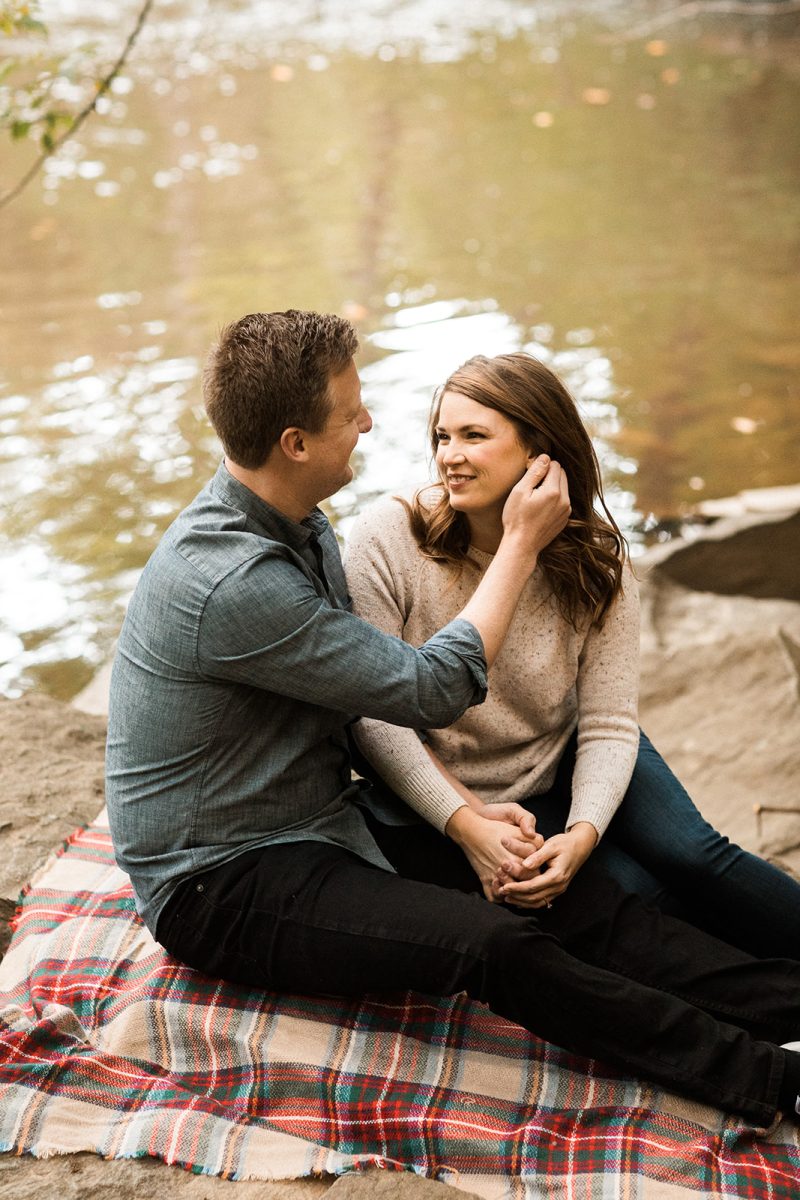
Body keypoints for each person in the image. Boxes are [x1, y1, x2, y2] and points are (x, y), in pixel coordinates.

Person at [105, 310, 800, 1129]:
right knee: (491, 943)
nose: (370, 422)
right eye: (349, 412)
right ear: (295, 443)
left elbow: (596, 720)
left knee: (571, 903)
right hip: (223, 878)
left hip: (321, 820)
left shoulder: (294, 524)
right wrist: (516, 548)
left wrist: (482, 826)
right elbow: (427, 690)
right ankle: (769, 1081)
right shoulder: (233, 581)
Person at [344, 351, 800, 960]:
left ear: (539, 452)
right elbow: (374, 716)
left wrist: (583, 834)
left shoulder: (595, 559)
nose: (449, 455)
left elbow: (610, 721)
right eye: (442, 436)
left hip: (564, 752)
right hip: (457, 790)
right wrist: (467, 820)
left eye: (474, 436)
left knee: (695, 856)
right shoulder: (387, 538)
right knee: (641, 894)